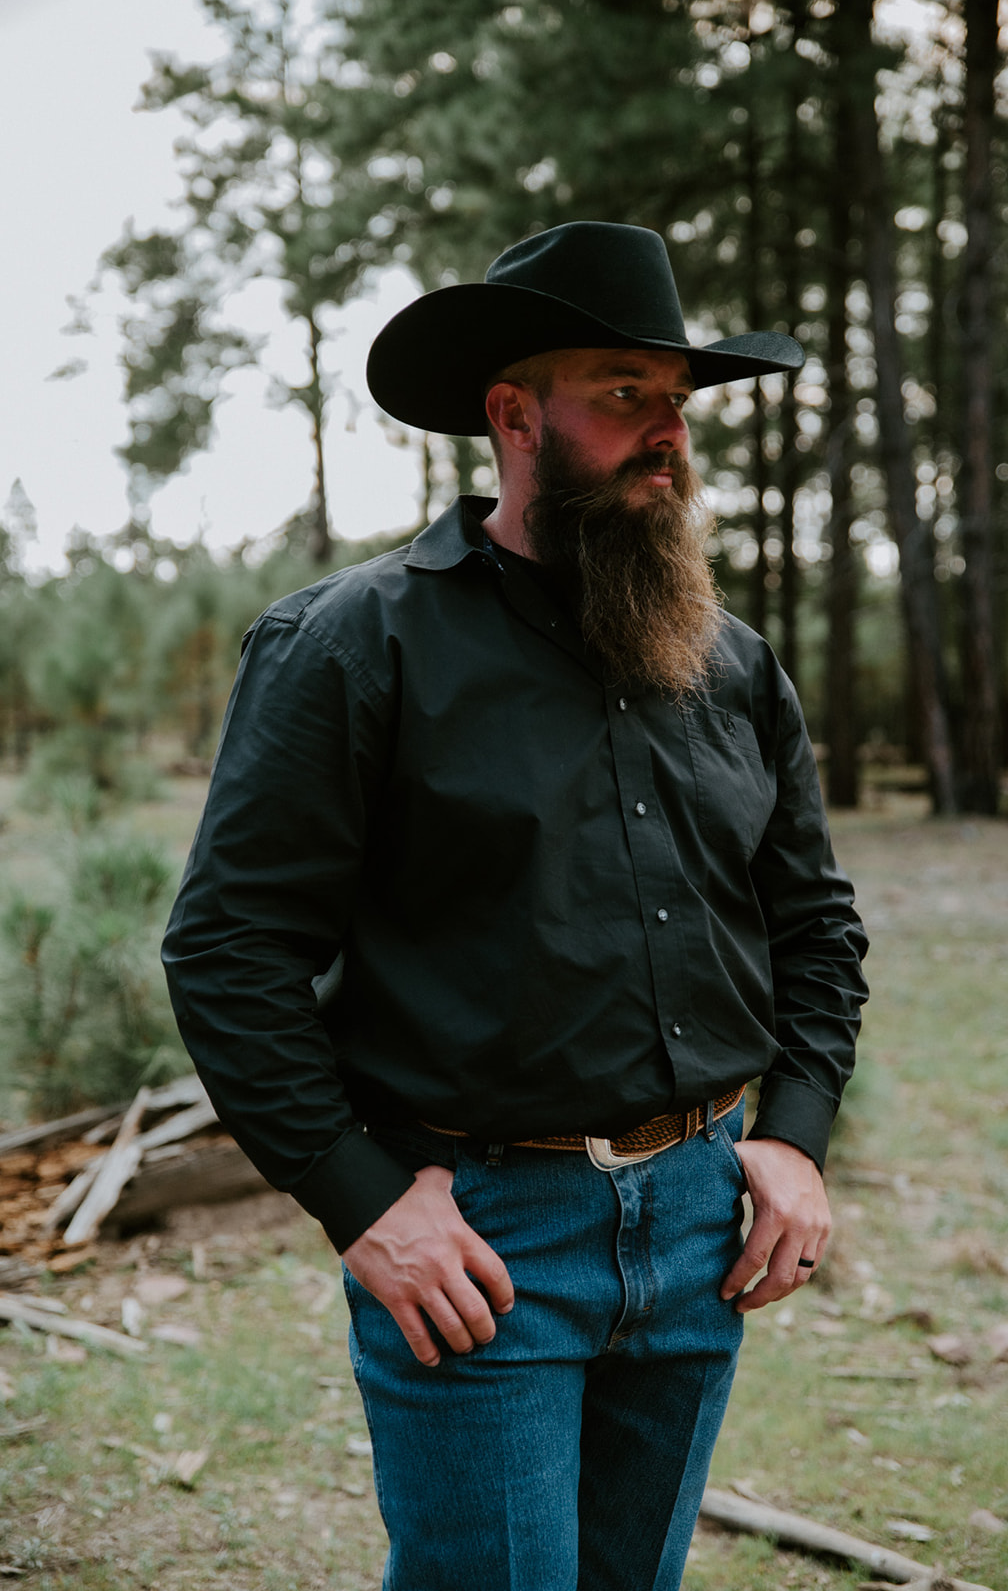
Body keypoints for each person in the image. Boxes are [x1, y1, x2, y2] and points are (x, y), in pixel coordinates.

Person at [163, 220, 868, 1591]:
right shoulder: (351, 644)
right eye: (621, 394)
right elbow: (231, 950)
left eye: (675, 401)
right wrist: (361, 1201)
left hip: (697, 1226)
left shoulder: (731, 665)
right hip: (476, 1239)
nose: (665, 432)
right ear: (511, 414)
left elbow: (814, 927)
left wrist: (792, 1136)